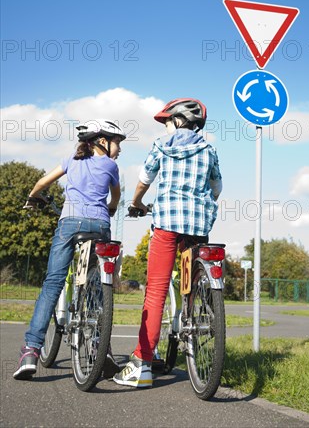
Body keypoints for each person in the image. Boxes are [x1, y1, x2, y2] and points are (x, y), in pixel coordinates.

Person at [113, 98, 222, 388]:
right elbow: (216, 188)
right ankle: (193, 321)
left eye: (168, 121)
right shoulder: (209, 150)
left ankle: (141, 364)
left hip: (166, 224)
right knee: (191, 283)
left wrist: (136, 203)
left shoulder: (163, 145)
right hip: (198, 225)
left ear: (177, 121)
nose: (166, 126)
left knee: (156, 290)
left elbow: (143, 181)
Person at [13, 119, 125, 380]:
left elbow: (42, 183)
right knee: (97, 286)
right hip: (99, 225)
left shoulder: (70, 161)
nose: (118, 150)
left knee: (53, 282)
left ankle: (31, 350)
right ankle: (99, 347)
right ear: (102, 142)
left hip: (69, 223)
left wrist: (33, 198)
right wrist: (110, 208)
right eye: (117, 143)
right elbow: (116, 197)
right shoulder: (111, 165)